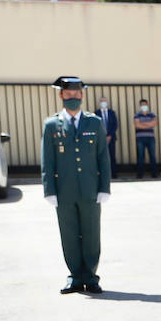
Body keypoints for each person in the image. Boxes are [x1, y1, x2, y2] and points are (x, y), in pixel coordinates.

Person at [40, 76, 111, 294]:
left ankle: (91, 276)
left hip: (90, 189)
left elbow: (103, 157)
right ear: (61, 95)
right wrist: (49, 190)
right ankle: (75, 276)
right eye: (68, 94)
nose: (73, 97)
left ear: (82, 95)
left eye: (76, 93)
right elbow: (47, 160)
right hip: (64, 191)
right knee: (69, 234)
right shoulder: (52, 125)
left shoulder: (94, 122)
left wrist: (104, 187)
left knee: (91, 234)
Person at [133, 97, 158, 179]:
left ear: (147, 105)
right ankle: (140, 174)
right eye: (142, 105)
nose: (144, 106)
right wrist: (149, 124)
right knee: (140, 156)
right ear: (140, 106)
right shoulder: (137, 115)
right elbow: (137, 125)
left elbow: (154, 123)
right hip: (140, 138)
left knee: (152, 156)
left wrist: (142, 123)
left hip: (150, 138)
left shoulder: (152, 114)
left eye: (145, 105)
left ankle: (154, 174)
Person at [96, 96, 119, 178]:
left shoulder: (111, 112)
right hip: (100, 139)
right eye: (102, 101)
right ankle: (103, 174)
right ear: (99, 103)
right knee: (101, 156)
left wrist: (109, 136)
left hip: (111, 138)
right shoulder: (96, 113)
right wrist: (102, 136)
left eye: (105, 101)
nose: (103, 103)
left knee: (112, 155)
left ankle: (113, 173)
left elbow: (115, 125)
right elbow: (96, 126)